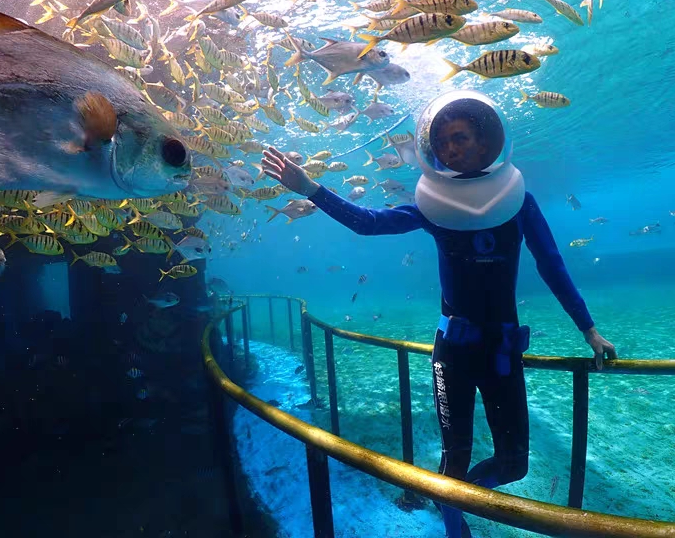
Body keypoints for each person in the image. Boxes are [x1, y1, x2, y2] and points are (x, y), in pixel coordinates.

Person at [261, 90, 617, 537]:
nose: (450, 148)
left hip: (503, 351)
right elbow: (367, 222)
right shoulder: (433, 206)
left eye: (461, 137)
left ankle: (453, 496)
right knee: (456, 453)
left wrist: (590, 331)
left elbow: (553, 266)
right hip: (453, 353)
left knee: (514, 465)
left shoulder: (518, 201)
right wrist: (310, 189)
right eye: (443, 141)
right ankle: (453, 518)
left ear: (486, 142)